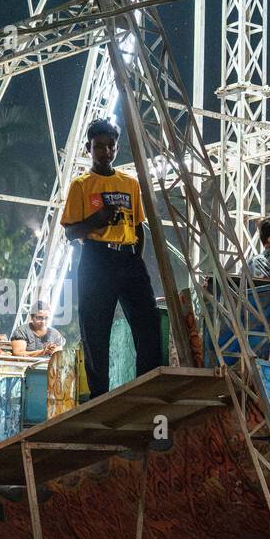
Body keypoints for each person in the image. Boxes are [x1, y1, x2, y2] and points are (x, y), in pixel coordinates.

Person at [60, 117, 162, 398]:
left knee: (148, 323)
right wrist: (97, 219)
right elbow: (70, 233)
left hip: (128, 259)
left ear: (117, 148)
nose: (105, 152)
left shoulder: (129, 183)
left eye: (111, 146)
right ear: (89, 148)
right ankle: (99, 396)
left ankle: (147, 388)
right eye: (99, 146)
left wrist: (134, 259)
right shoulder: (81, 185)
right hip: (96, 259)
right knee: (95, 330)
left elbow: (139, 226)